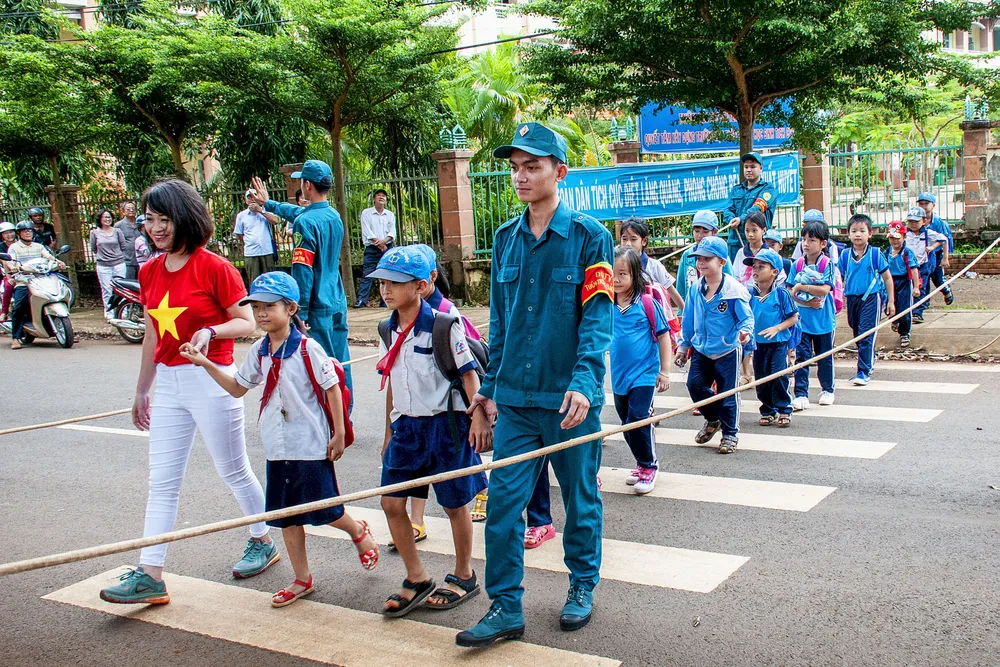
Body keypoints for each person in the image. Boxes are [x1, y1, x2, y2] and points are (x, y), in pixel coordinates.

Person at [456, 123, 613, 648]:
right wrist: (487, 393)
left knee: (580, 499)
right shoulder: (504, 239)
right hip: (517, 403)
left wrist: (586, 381)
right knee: (502, 506)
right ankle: (505, 606)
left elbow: (597, 317)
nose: (521, 176)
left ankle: (582, 586)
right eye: (516, 167)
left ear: (559, 172)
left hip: (570, 401)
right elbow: (499, 324)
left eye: (533, 166)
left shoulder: (591, 237)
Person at [98, 179, 276, 606]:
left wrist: (210, 330)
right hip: (170, 383)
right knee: (162, 481)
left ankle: (262, 538)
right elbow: (152, 334)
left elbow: (246, 322)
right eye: (150, 220)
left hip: (212, 377)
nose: (156, 228)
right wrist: (143, 390)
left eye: (164, 219)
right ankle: (151, 573)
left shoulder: (214, 267)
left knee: (233, 470)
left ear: (186, 219)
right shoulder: (148, 270)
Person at [179, 271, 380, 609]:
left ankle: (358, 531)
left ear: (290, 308)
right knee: (287, 516)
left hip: (311, 444)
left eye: (269, 306)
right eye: (255, 307)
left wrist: (340, 434)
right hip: (277, 446)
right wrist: (204, 363)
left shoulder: (307, 348)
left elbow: (331, 387)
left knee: (325, 508)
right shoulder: (259, 351)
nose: (260, 314)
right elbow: (238, 387)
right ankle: (302, 578)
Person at [371, 246, 491, 617]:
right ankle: (416, 576)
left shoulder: (443, 324)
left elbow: (468, 372)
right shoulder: (386, 326)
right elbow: (391, 376)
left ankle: (464, 574)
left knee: (456, 505)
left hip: (445, 427)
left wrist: (479, 416)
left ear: (421, 286)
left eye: (395, 283)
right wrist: (389, 429)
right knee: (391, 502)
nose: (386, 290)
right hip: (407, 428)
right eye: (382, 283)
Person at [250, 161, 353, 400]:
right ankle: (345, 416)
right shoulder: (332, 215)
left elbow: (303, 270)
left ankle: (330, 421)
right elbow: (298, 212)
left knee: (322, 367)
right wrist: (269, 204)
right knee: (341, 361)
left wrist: (300, 310)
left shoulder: (305, 223)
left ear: (307, 185)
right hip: (336, 299)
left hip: (316, 304)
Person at [675, 236, 754, 454]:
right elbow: (688, 320)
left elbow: (746, 319)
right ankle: (712, 419)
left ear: (721, 261)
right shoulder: (695, 289)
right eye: (699, 258)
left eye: (707, 259)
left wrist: (745, 333)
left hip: (726, 349)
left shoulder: (732, 291)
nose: (701, 263)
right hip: (701, 349)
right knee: (694, 385)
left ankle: (730, 435)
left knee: (729, 394)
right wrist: (683, 347)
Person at [611, 246, 671, 492]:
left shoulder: (646, 303)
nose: (615, 279)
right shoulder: (606, 305)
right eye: (612, 273)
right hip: (618, 377)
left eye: (622, 274)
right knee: (626, 423)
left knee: (638, 418)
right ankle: (640, 462)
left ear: (635, 275)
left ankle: (649, 466)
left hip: (644, 375)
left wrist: (664, 371)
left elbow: (664, 336)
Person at [838, 213, 894, 386]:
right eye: (854, 231)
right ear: (848, 234)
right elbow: (838, 279)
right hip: (852, 299)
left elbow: (887, 278)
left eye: (862, 230)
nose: (858, 234)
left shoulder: (876, 254)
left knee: (866, 334)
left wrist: (891, 301)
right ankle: (871, 357)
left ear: (870, 233)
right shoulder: (845, 255)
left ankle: (863, 371)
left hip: (871, 298)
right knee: (856, 332)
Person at [787, 220, 837, 410]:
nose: (806, 244)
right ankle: (801, 394)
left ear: (823, 243)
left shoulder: (827, 264)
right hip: (802, 321)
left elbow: (825, 289)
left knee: (824, 357)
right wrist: (805, 299)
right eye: (804, 239)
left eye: (812, 240)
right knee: (802, 357)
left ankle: (827, 390)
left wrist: (803, 287)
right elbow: (790, 292)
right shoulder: (797, 264)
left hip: (823, 321)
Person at [745, 249, 798, 427]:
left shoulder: (782, 294)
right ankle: (768, 409)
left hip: (778, 342)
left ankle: (784, 409)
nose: (756, 270)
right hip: (758, 344)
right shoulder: (749, 294)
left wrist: (777, 328)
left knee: (778, 374)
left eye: (762, 266)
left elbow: (793, 317)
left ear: (774, 271)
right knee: (761, 376)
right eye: (754, 266)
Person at [6, 220, 66, 349]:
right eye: (25, 231)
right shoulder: (14, 247)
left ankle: (64, 329)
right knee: (19, 307)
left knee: (59, 295)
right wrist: (13, 267)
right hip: (23, 281)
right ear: (19, 233)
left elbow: (48, 256)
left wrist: (58, 261)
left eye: (30, 230)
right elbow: (10, 261)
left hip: (41, 279)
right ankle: (16, 337)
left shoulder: (38, 246)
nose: (28, 233)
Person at [618, 216, 683, 310]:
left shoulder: (654, 266)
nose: (628, 244)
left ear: (644, 241)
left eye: (633, 239)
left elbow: (672, 292)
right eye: (624, 239)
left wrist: (687, 316)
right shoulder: (615, 266)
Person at [724, 152, 777, 261]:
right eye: (746, 167)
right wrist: (731, 219)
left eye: (753, 166)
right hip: (735, 241)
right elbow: (728, 209)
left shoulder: (768, 189)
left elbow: (757, 208)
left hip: (757, 242)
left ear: (761, 168)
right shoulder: (736, 189)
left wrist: (740, 219)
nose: (748, 170)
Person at [675, 210, 736, 304]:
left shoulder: (721, 254)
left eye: (705, 231)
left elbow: (731, 283)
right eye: (697, 231)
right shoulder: (687, 255)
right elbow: (681, 286)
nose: (700, 235)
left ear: (715, 232)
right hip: (693, 306)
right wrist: (682, 311)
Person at [904, 206, 949, 324]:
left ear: (923, 221)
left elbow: (944, 239)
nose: (913, 224)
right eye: (910, 221)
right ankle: (906, 310)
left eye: (916, 221)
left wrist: (938, 252)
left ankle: (917, 312)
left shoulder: (928, 233)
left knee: (920, 287)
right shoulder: (905, 234)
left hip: (922, 265)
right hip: (907, 266)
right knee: (906, 287)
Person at [356, 188, 396, 308]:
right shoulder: (366, 213)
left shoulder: (390, 214)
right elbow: (367, 230)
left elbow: (392, 232)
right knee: (367, 274)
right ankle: (361, 300)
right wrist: (378, 243)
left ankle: (385, 301)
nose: (381, 197)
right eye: (378, 195)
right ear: (374, 199)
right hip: (372, 248)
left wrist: (384, 242)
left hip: (386, 248)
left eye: (383, 196)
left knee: (387, 275)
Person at [884, 221, 920, 348]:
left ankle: (904, 333)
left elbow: (914, 269)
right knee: (889, 304)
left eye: (897, 238)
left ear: (904, 237)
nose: (895, 241)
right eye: (892, 238)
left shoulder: (907, 252)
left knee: (905, 308)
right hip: (890, 282)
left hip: (904, 282)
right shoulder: (887, 252)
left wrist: (916, 286)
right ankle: (894, 320)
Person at [89, 209, 130, 320]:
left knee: (121, 288)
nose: (107, 219)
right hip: (103, 266)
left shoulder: (117, 231)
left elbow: (123, 246)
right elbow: (93, 248)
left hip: (118, 264)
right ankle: (109, 313)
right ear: (100, 219)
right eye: (105, 217)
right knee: (107, 289)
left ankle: (123, 312)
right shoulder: (94, 233)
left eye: (109, 217)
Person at [915, 192, 954, 306]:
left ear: (933, 205)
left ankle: (946, 290)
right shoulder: (916, 220)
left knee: (937, 278)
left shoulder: (937, 222)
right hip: (922, 254)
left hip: (936, 253)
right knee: (923, 278)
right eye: (921, 204)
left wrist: (945, 258)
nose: (923, 206)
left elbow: (944, 239)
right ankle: (924, 302)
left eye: (926, 203)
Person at [234, 190, 277, 284]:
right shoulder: (241, 216)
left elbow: (275, 221)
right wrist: (248, 242)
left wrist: (260, 211)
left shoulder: (265, 212)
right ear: (246, 201)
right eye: (249, 198)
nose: (252, 200)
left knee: (269, 280)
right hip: (251, 253)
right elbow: (239, 234)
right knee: (254, 280)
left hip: (267, 251)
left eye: (254, 197)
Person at [732, 211, 768, 289]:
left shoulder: (769, 253)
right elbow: (736, 276)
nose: (750, 234)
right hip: (744, 295)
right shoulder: (741, 253)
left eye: (754, 230)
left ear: (764, 230)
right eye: (747, 230)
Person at [116, 202, 142, 279]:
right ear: (123, 211)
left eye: (133, 209)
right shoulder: (119, 226)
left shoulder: (140, 223)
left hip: (142, 259)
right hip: (128, 261)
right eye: (128, 209)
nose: (131, 210)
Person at [0, 221, 16, 322]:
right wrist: (9, 276)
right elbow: (4, 262)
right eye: (6, 233)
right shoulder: (1, 246)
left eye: (11, 232)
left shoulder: (20, 244)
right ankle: (4, 311)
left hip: (26, 271)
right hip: (8, 272)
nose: (9, 235)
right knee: (8, 286)